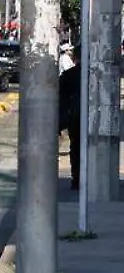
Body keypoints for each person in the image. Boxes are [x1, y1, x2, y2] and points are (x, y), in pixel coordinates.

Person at [59, 44, 82, 190]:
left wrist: (60, 122)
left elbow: (61, 101)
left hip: (75, 117)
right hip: (92, 117)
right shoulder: (97, 75)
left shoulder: (68, 76)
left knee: (76, 147)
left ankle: (77, 178)